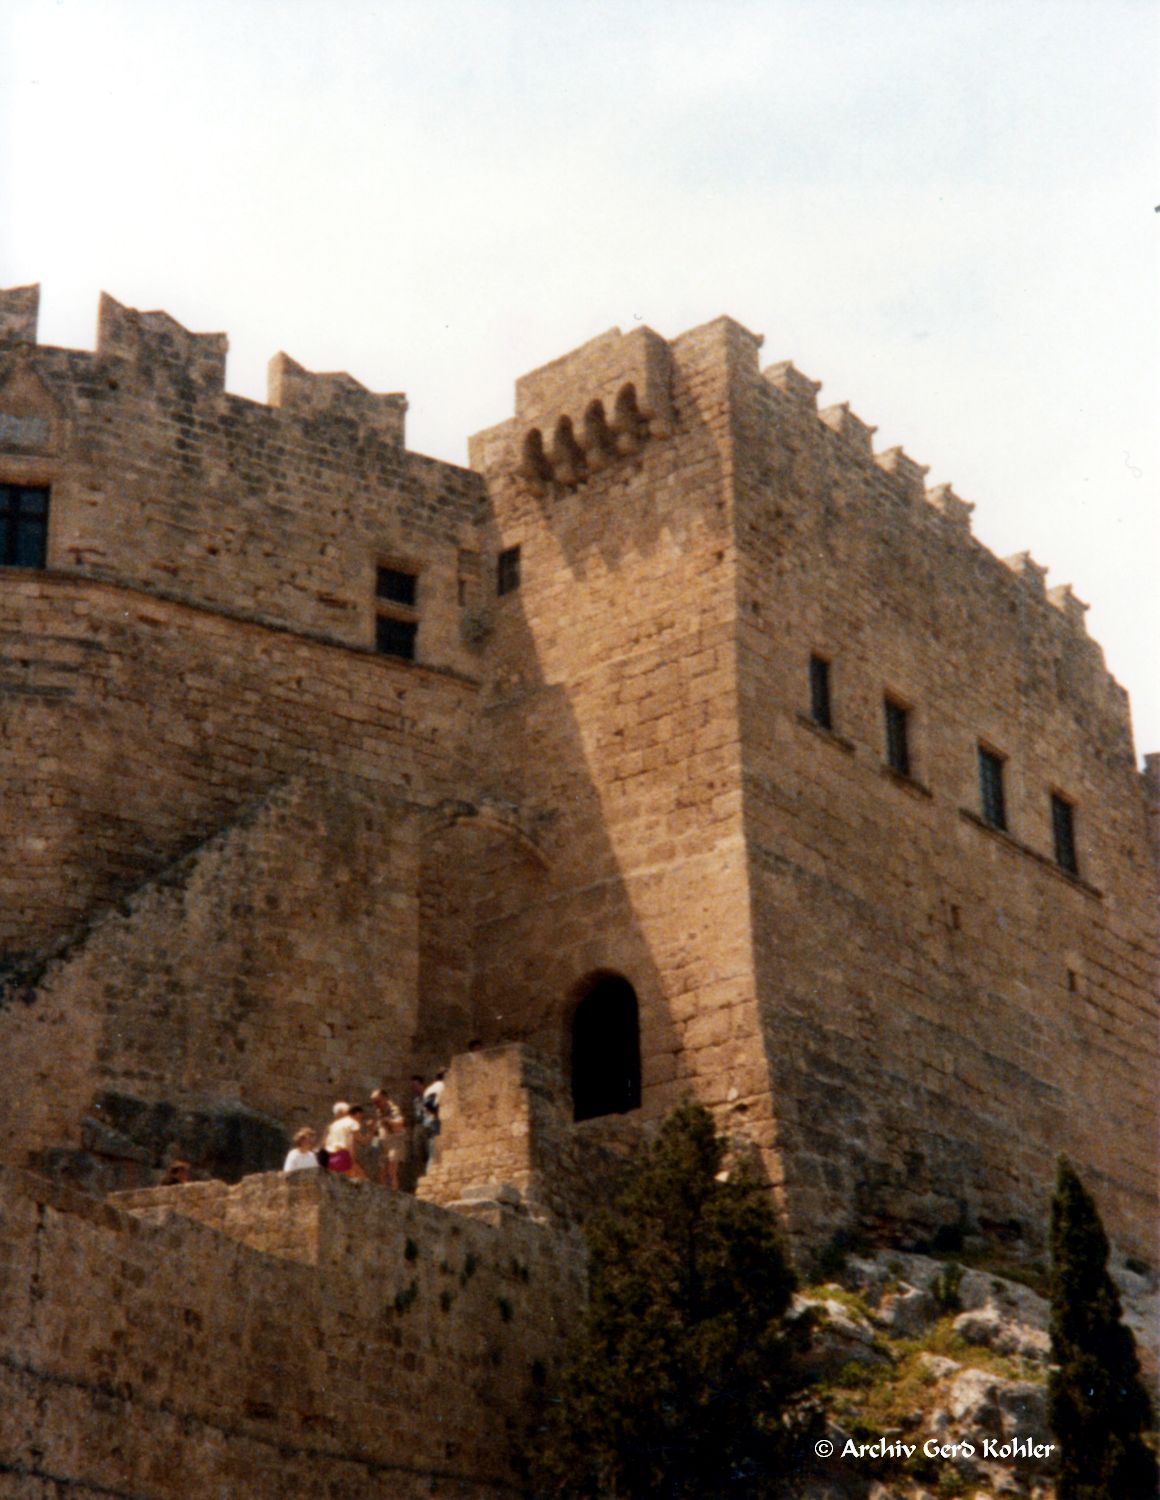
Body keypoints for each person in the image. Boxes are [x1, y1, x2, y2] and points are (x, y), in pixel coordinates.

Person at [369, 1088, 405, 1189]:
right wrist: (373, 1127)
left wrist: (388, 1121)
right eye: (374, 1102)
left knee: (391, 1171)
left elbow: (400, 1123)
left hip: (394, 1144)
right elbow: (379, 1129)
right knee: (382, 1173)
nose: (376, 1104)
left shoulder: (393, 1109)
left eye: (377, 1101)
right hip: (383, 1145)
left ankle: (395, 1196)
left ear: (385, 1098)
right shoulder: (379, 1111)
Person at [323, 1102, 367, 1178]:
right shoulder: (352, 1123)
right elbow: (354, 1142)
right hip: (343, 1156)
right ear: (357, 1114)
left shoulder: (334, 1125)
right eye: (361, 1118)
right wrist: (352, 1161)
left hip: (330, 1158)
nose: (360, 1120)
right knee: (361, 1181)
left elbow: (326, 1142)